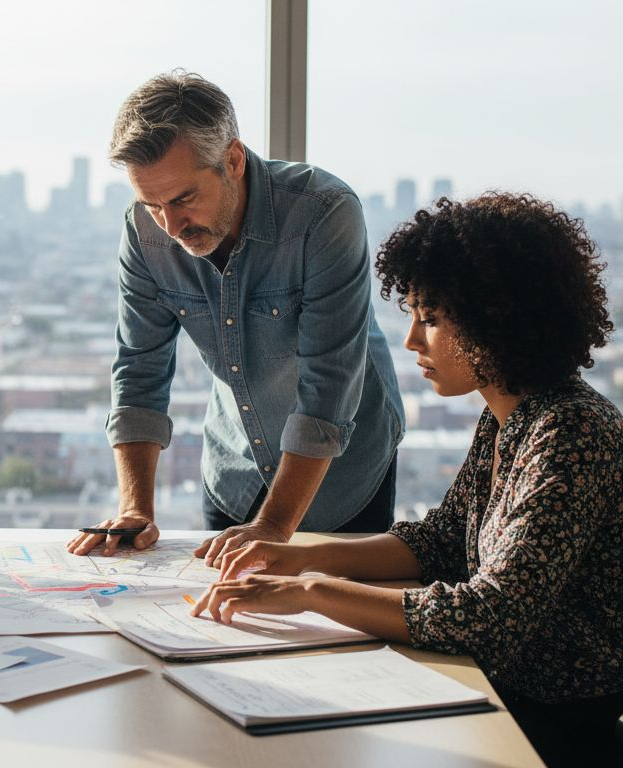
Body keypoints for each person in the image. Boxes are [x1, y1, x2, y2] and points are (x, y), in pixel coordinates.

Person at [191, 193, 623, 768]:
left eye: (430, 319)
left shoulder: (573, 433)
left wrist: (311, 591)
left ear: (497, 318)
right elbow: (440, 541)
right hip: (529, 699)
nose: (412, 341)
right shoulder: (512, 417)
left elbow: (490, 619)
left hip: (600, 728)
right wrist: (302, 557)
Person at [68, 71, 403, 562]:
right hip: (234, 471)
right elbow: (139, 369)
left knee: (334, 629)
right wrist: (135, 508)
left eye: (183, 199)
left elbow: (329, 388)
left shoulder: (324, 214)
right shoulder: (145, 232)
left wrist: (273, 524)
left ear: (233, 160)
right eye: (151, 204)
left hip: (341, 476)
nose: (171, 225)